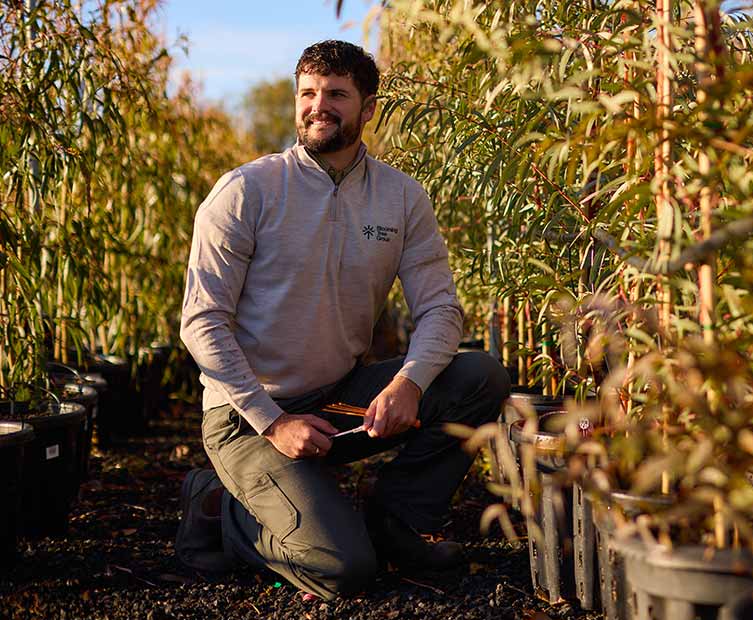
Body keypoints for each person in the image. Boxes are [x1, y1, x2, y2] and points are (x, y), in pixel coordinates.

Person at [176, 40, 509, 600]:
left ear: (368, 107)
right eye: (308, 93)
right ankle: (218, 508)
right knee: (342, 568)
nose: (318, 106)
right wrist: (272, 421)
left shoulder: (401, 198)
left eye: (336, 94)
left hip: (337, 404)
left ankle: (397, 522)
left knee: (480, 377)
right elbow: (201, 323)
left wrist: (409, 382)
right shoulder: (246, 192)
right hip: (247, 415)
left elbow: (439, 309)